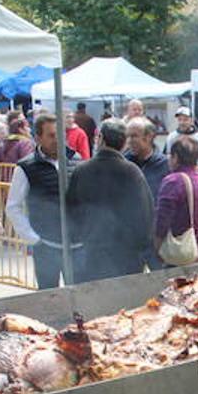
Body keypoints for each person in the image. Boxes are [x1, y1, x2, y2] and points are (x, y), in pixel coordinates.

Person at [67, 119, 154, 283]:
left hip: (90, 255)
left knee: (93, 305)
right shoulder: (132, 172)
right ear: (123, 144)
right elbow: (145, 217)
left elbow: (71, 213)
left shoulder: (82, 170)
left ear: (100, 139)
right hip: (126, 258)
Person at [6, 112, 80, 289]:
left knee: (80, 297)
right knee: (49, 297)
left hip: (75, 246)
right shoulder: (26, 167)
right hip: (46, 246)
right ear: (38, 137)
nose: (57, 140)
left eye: (60, 135)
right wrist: (33, 239)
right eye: (51, 135)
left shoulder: (76, 160)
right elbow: (13, 207)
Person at [156, 135, 198, 263]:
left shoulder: (172, 181)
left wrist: (157, 247)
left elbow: (162, 221)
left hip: (181, 254)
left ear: (175, 158)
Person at [124, 116, 170, 201]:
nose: (129, 141)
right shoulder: (123, 163)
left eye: (134, 136)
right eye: (127, 136)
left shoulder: (165, 165)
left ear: (149, 137)